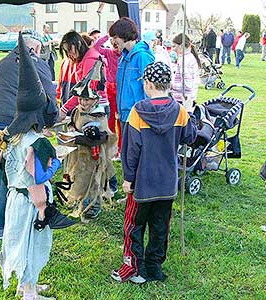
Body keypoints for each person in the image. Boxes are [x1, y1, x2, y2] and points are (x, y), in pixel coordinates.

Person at [0, 33, 63, 300]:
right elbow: (38, 177)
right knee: (32, 243)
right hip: (33, 202)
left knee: (19, 240)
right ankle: (30, 292)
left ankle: (25, 282)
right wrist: (57, 163)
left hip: (15, 199)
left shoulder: (14, 136)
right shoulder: (39, 142)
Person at [111, 61, 197, 284]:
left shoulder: (137, 112)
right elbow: (191, 137)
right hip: (166, 183)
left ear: (148, 83)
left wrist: (128, 178)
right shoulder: (179, 111)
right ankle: (155, 267)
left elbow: (130, 150)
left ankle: (136, 269)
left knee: (134, 225)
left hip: (142, 183)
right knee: (160, 226)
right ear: (167, 84)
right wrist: (189, 111)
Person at [0, 32, 58, 239]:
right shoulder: (36, 63)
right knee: (9, 175)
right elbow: (49, 102)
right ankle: (1, 228)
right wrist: (50, 121)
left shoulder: (4, 60)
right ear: (35, 49)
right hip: (7, 122)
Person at [63, 58, 117, 222]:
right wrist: (72, 128)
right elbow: (74, 122)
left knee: (93, 182)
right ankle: (79, 200)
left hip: (94, 156)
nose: (83, 103)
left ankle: (92, 207)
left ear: (94, 100)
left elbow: (100, 138)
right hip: (79, 155)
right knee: (78, 177)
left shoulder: (98, 116)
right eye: (80, 99)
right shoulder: (78, 111)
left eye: (87, 100)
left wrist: (79, 138)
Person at [108, 17, 155, 130]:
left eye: (115, 37)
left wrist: (145, 117)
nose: (113, 41)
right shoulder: (123, 58)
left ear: (124, 35)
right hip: (124, 116)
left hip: (138, 118)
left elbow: (151, 89)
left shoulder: (142, 57)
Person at [58, 30, 109, 120]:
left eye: (70, 49)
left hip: (96, 109)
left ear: (79, 44)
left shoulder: (90, 60)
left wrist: (65, 109)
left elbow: (85, 90)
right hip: (92, 106)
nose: (69, 54)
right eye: (67, 51)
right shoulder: (83, 59)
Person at [93, 33, 122, 157]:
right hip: (109, 88)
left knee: (120, 120)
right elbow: (95, 47)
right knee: (110, 119)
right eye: (113, 44)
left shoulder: (126, 55)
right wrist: (108, 35)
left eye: (117, 44)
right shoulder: (109, 53)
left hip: (120, 89)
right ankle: (111, 147)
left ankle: (120, 148)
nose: (116, 47)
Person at [171, 33, 201, 104]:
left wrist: (171, 85)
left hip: (183, 100)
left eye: (174, 46)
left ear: (181, 46)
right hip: (188, 98)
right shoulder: (189, 57)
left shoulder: (185, 61)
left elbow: (187, 85)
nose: (173, 49)